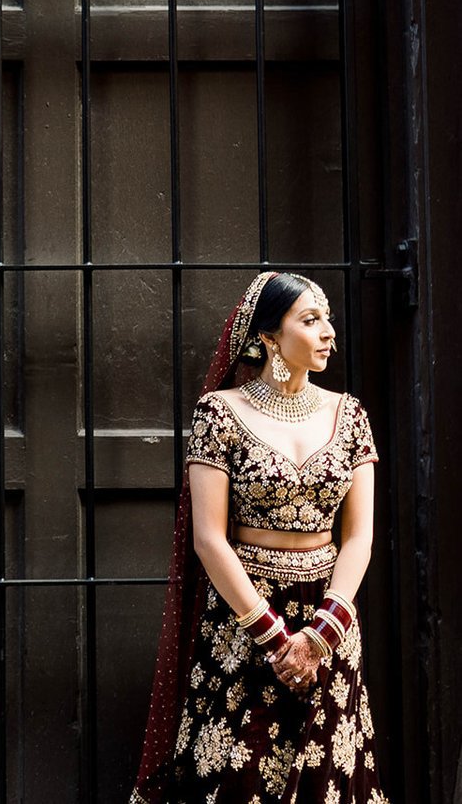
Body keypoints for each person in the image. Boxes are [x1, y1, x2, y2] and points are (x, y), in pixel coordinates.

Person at [130, 272, 389, 803]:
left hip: (329, 624)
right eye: (310, 320)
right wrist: (275, 637)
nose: (328, 334)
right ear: (268, 335)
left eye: (329, 320)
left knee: (330, 780)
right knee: (238, 777)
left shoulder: (350, 413)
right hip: (244, 621)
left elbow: (359, 536)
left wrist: (320, 635)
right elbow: (208, 538)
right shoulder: (221, 413)